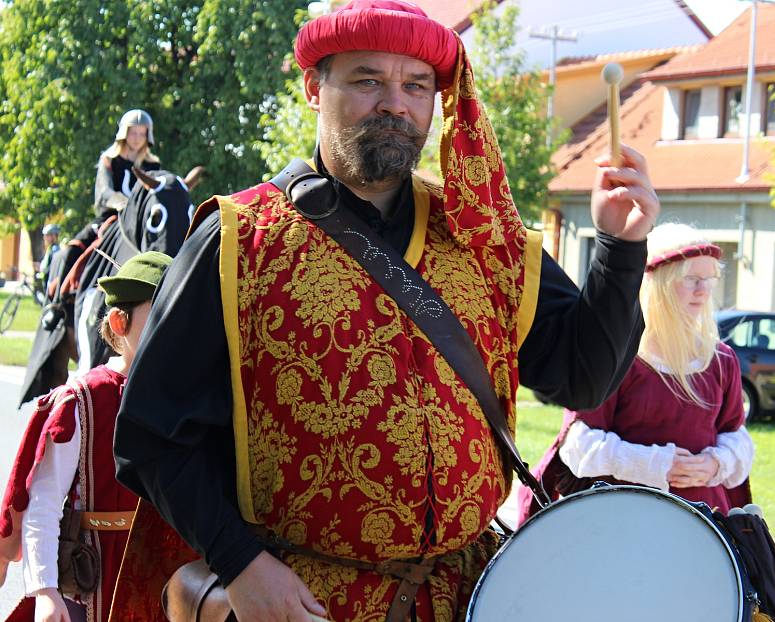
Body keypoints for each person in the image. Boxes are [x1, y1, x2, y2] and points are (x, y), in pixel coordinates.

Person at [112, 2, 660, 620]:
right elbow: (150, 436)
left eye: (416, 85)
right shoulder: (239, 241)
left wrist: (619, 246)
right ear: (314, 88)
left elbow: (581, 376)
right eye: (368, 80)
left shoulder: (482, 236)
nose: (396, 103)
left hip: (468, 598)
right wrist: (239, 562)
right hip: (302, 603)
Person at [518, 222, 754, 525]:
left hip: (704, 520)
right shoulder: (617, 356)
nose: (703, 290)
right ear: (657, 282)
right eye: (692, 278)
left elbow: (737, 436)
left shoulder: (721, 360)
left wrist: (715, 463)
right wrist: (657, 464)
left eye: (710, 279)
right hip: (624, 517)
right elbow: (580, 445)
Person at [0, 251, 172, 622]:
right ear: (118, 322)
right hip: (91, 577)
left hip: (163, 575)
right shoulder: (83, 400)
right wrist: (45, 590)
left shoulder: (181, 398)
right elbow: (43, 503)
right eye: (159, 318)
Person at [94, 109, 161, 218]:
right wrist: (124, 203)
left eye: (142, 134)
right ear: (125, 133)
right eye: (133, 133)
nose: (137, 138)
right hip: (113, 218)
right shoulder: (109, 160)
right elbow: (104, 191)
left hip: (142, 220)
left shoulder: (153, 165)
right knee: (84, 235)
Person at [38, 224, 61, 295]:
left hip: (50, 282)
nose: (45, 238)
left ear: (54, 236)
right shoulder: (50, 248)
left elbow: (53, 267)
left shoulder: (55, 250)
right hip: (46, 280)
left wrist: (45, 270)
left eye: (47, 235)